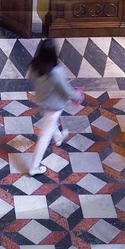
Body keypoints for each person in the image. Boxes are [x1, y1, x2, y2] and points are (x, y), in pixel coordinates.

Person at [26, 38, 78, 174]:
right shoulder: (56, 71)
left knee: (50, 122)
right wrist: (78, 96)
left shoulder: (35, 65)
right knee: (44, 136)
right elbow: (67, 90)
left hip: (42, 100)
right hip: (54, 105)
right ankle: (34, 167)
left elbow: (30, 78)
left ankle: (58, 137)